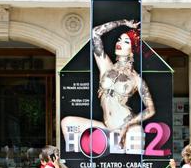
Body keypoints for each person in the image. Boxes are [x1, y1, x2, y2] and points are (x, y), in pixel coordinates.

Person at [61, 19, 155, 149]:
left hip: (126, 127)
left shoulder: (136, 79)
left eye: (126, 41)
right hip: (106, 127)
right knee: (67, 123)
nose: (120, 43)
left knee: (136, 132)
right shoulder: (106, 66)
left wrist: (127, 125)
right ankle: (81, 164)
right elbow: (95, 33)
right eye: (119, 40)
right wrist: (123, 23)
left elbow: (150, 109)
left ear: (132, 50)